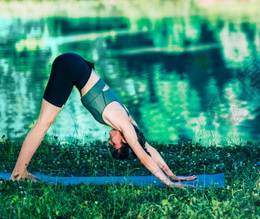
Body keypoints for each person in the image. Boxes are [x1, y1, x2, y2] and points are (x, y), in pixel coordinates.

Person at [10, 53, 196, 188]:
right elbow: (144, 156)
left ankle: (20, 172)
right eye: (113, 145)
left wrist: (173, 175)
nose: (109, 141)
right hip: (71, 67)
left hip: (75, 64)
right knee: (43, 124)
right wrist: (168, 184)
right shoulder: (126, 127)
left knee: (44, 123)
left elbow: (150, 149)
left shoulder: (131, 124)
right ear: (124, 141)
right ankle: (18, 174)